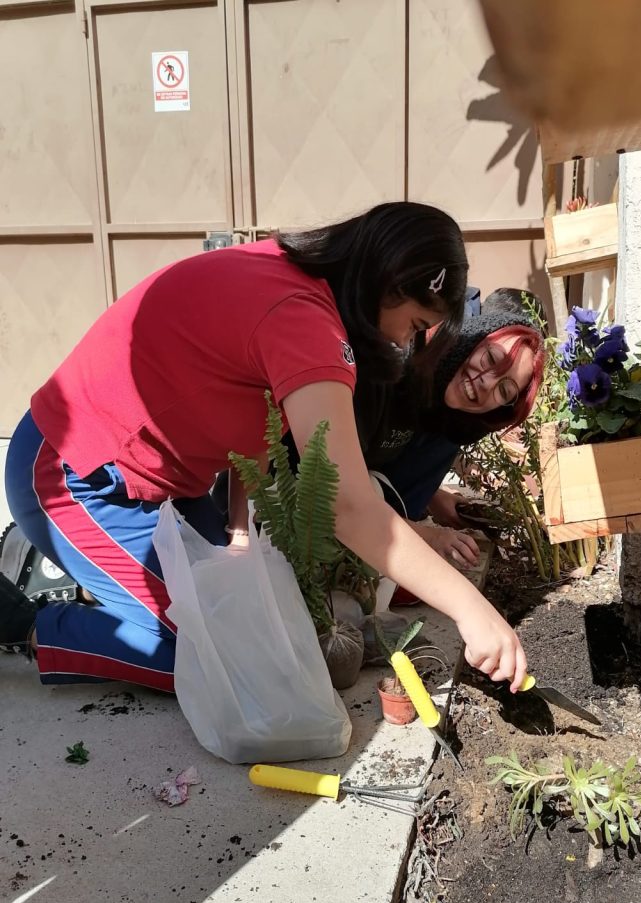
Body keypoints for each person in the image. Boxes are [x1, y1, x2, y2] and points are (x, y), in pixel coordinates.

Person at [1, 202, 527, 693]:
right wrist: (471, 609)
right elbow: (349, 506)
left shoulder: (299, 278)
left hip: (161, 486)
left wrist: (237, 534)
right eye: (414, 325)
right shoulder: (306, 324)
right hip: (75, 472)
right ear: (389, 286)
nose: (405, 342)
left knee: (257, 616)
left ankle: (118, 590)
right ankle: (22, 623)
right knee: (214, 654)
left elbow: (254, 427)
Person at [364, 287, 547, 570]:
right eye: (490, 359)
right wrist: (425, 537)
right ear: (474, 336)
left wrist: (434, 498)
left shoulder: (458, 422)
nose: (487, 382)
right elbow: (340, 496)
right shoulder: (393, 368)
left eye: (505, 390)